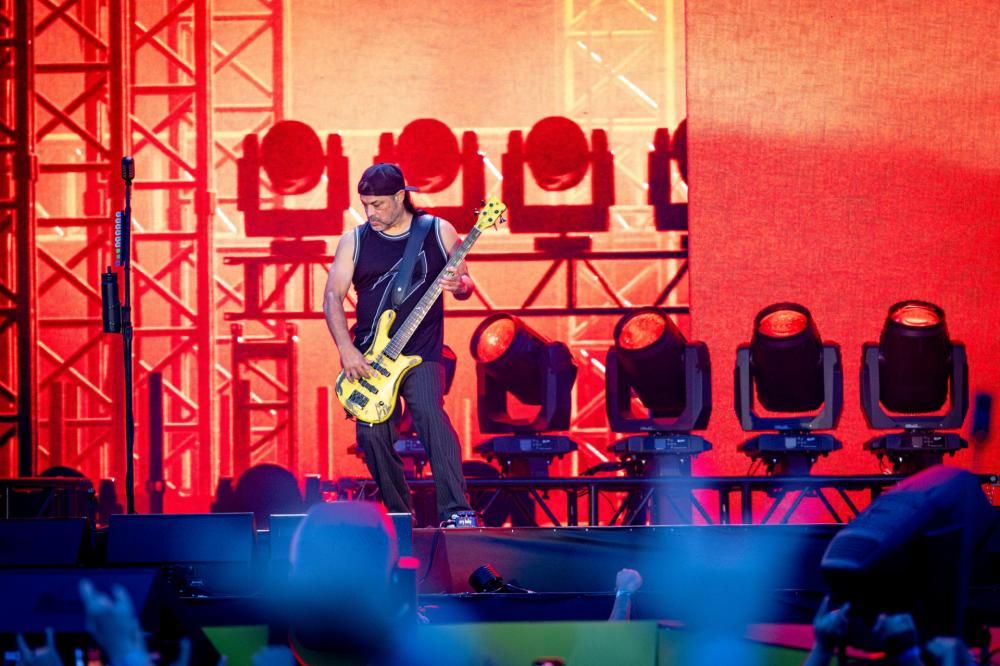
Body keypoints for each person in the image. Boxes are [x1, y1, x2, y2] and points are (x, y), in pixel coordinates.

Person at [323, 163, 476, 526]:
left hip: (421, 351)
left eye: (377, 204)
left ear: (399, 196)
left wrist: (461, 286)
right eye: (365, 205)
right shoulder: (354, 241)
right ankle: (399, 515)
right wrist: (346, 349)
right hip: (370, 356)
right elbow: (332, 296)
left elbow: (466, 283)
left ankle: (457, 511)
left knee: (429, 413)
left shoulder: (437, 230)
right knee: (371, 435)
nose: (370, 213)